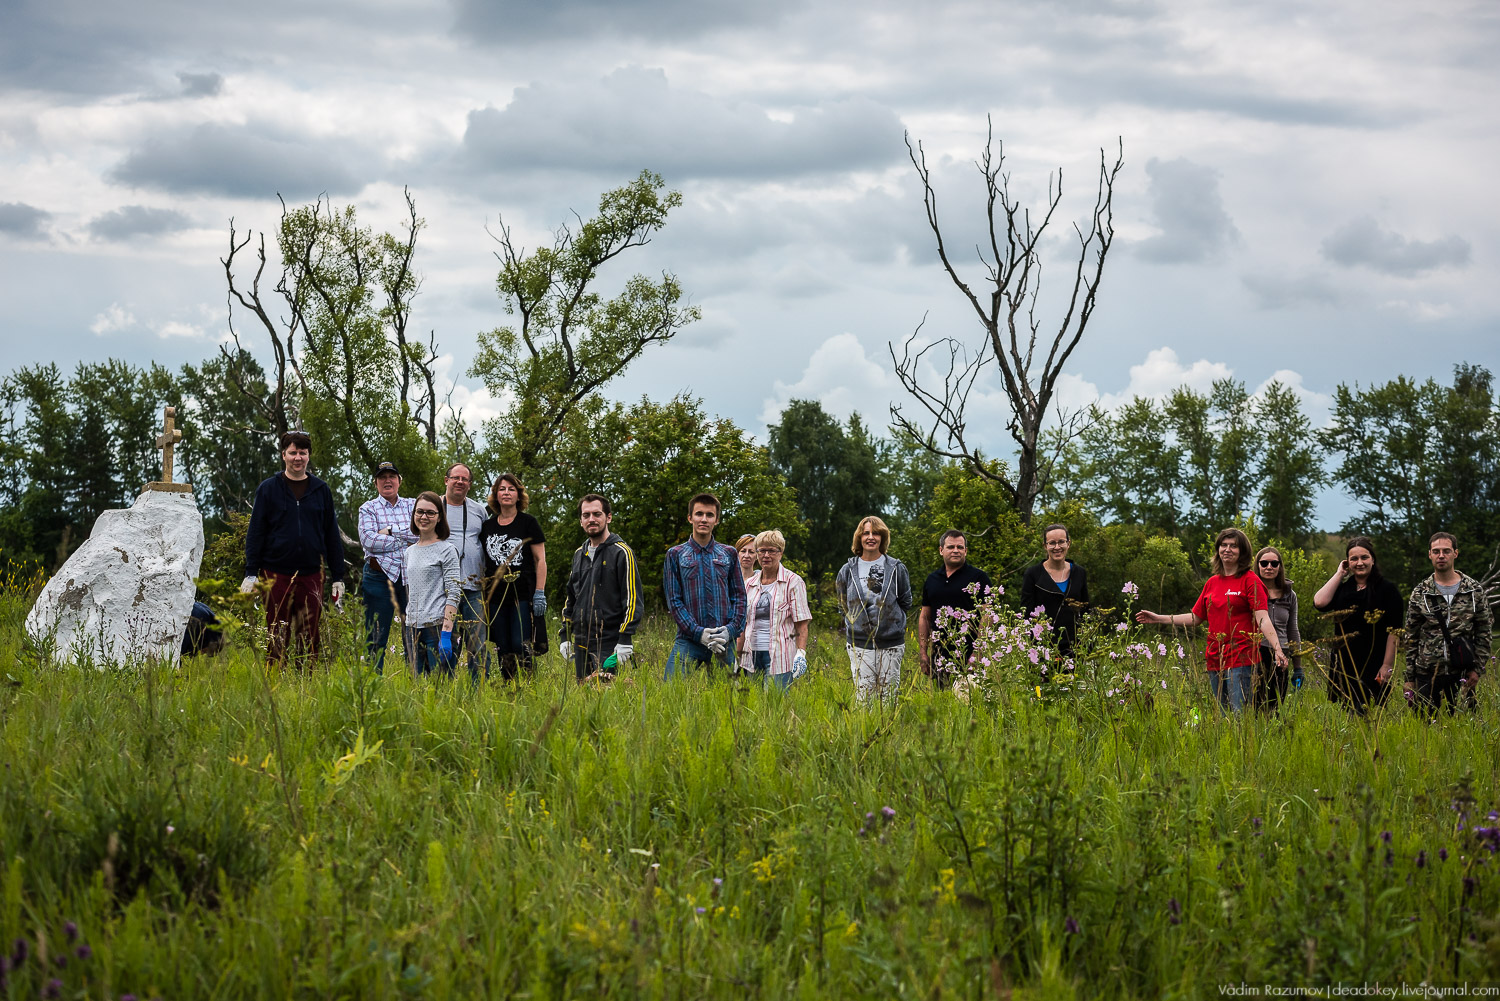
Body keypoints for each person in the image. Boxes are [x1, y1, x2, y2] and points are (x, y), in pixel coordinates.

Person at [1135, 528, 1287, 714]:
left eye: (1234, 546)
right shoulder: (1212, 582)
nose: (1227, 549)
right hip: (1215, 659)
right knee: (1223, 715)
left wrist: (1277, 648)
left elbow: (1263, 618)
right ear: (1218, 550)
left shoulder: (1251, 581)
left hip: (1242, 659)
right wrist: (1159, 618)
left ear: (1243, 552)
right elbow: (1195, 617)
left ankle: (1241, 743)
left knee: (1239, 714)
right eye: (1223, 545)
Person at [241, 430, 347, 666]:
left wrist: (338, 576)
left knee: (309, 634)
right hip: (275, 573)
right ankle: (276, 680)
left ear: (309, 456)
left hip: (312, 574)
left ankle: (305, 684)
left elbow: (331, 535)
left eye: (302, 452)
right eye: (293, 453)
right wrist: (250, 572)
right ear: (283, 455)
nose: (297, 457)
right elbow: (256, 532)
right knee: (277, 631)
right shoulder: (268, 489)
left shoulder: (321, 490)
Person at [1401, 532, 1492, 715]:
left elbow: (1484, 631)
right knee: (1424, 730)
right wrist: (1409, 678)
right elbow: (1411, 637)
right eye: (1436, 551)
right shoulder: (1421, 592)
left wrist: (1477, 670)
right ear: (1430, 555)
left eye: (1446, 551)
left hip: (1462, 673)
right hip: (1426, 673)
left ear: (1455, 553)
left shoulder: (1473, 590)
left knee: (1462, 729)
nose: (1441, 555)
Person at [1313, 535, 1403, 714]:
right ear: (1347, 562)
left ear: (1373, 559)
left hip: (1374, 662)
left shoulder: (1387, 590)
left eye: (1364, 557)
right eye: (1353, 559)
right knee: (1347, 715)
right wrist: (1340, 573)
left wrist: (1387, 665)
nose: (1359, 562)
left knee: (1372, 714)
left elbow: (1394, 632)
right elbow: (1319, 602)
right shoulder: (1343, 588)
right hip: (1344, 663)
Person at [662, 493, 747, 679]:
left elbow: (740, 597)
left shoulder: (729, 553)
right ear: (690, 517)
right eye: (699, 514)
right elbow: (674, 601)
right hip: (689, 640)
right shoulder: (675, 554)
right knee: (671, 694)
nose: (704, 519)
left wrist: (730, 631)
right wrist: (698, 633)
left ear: (716, 520)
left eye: (709, 515)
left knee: (725, 702)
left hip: (723, 641)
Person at [560, 494, 643, 682]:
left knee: (610, 695)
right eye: (586, 515)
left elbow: (632, 599)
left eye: (597, 514)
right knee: (584, 697)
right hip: (581, 642)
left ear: (608, 517)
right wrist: (565, 634)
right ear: (581, 520)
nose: (591, 519)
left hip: (609, 643)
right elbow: (571, 598)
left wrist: (625, 638)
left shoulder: (622, 552)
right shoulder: (578, 555)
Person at [836, 515, 913, 703]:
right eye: (866, 533)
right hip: (860, 645)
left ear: (883, 537)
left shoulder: (896, 567)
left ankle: (889, 733)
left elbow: (905, 601)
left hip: (891, 643)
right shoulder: (847, 569)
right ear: (859, 538)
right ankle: (863, 733)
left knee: (888, 699)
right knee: (864, 699)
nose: (871, 537)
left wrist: (891, 622)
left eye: (876, 533)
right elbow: (842, 605)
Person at [478, 472, 547, 681]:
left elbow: (540, 560)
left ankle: (527, 683)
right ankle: (508, 685)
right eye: (502, 489)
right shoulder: (487, 526)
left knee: (520, 642)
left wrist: (539, 593)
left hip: (522, 594)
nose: (506, 493)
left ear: (519, 495)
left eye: (511, 489)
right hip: (496, 596)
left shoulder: (528, 523)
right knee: (502, 644)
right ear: (495, 495)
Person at [356, 461, 415, 674]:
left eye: (392, 476)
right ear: (376, 483)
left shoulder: (413, 504)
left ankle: (415, 681)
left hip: (411, 577)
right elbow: (369, 542)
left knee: (414, 632)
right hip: (378, 577)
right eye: (382, 477)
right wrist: (404, 536)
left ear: (399, 481)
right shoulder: (368, 508)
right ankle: (373, 682)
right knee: (376, 634)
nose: (387, 480)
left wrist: (388, 530)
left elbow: (421, 534)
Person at [736, 530, 812, 690]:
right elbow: (743, 625)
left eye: (772, 550)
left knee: (774, 706)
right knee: (752, 704)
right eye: (762, 550)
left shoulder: (793, 582)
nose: (766, 555)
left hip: (780, 656)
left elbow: (802, 624)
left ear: (781, 553)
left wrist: (801, 653)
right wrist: (737, 657)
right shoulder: (749, 584)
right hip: (751, 656)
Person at [918, 529, 992, 686]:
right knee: (942, 704)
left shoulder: (978, 577)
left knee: (970, 704)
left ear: (965, 551)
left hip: (970, 654)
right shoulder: (932, 579)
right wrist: (923, 652)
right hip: (940, 655)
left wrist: (978, 651)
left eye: (960, 547)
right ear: (941, 550)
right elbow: (925, 616)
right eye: (951, 547)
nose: (956, 551)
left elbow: (988, 614)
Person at [403, 491, 461, 677]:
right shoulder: (409, 552)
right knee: (417, 688)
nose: (424, 517)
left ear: (439, 517)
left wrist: (446, 634)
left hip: (436, 628)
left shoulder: (447, 550)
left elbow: (454, 592)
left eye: (430, 513)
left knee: (441, 689)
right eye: (419, 512)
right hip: (412, 628)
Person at [443, 463, 489, 680]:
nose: (460, 482)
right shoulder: (435, 505)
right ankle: (445, 687)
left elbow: (487, 542)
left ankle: (478, 690)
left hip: (474, 587)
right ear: (446, 480)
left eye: (465, 479)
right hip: (443, 589)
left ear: (469, 485)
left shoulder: (478, 510)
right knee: (447, 641)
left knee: (477, 642)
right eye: (455, 478)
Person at [1019, 524, 1090, 656]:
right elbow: (1026, 614)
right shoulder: (1033, 574)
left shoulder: (1079, 573)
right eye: (1052, 543)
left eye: (1061, 542)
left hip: (1075, 648)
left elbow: (1086, 610)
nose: (1057, 547)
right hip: (1043, 648)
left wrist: (1087, 644)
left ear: (1068, 543)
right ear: (1045, 546)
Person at [1252, 546, 1303, 712]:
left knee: (1275, 706)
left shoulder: (1289, 595)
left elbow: (1293, 630)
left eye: (1274, 563)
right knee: (1253, 704)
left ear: (1280, 567)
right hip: (1255, 653)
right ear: (1257, 565)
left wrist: (1298, 667)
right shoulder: (1250, 591)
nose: (1269, 567)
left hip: (1281, 655)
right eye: (1264, 563)